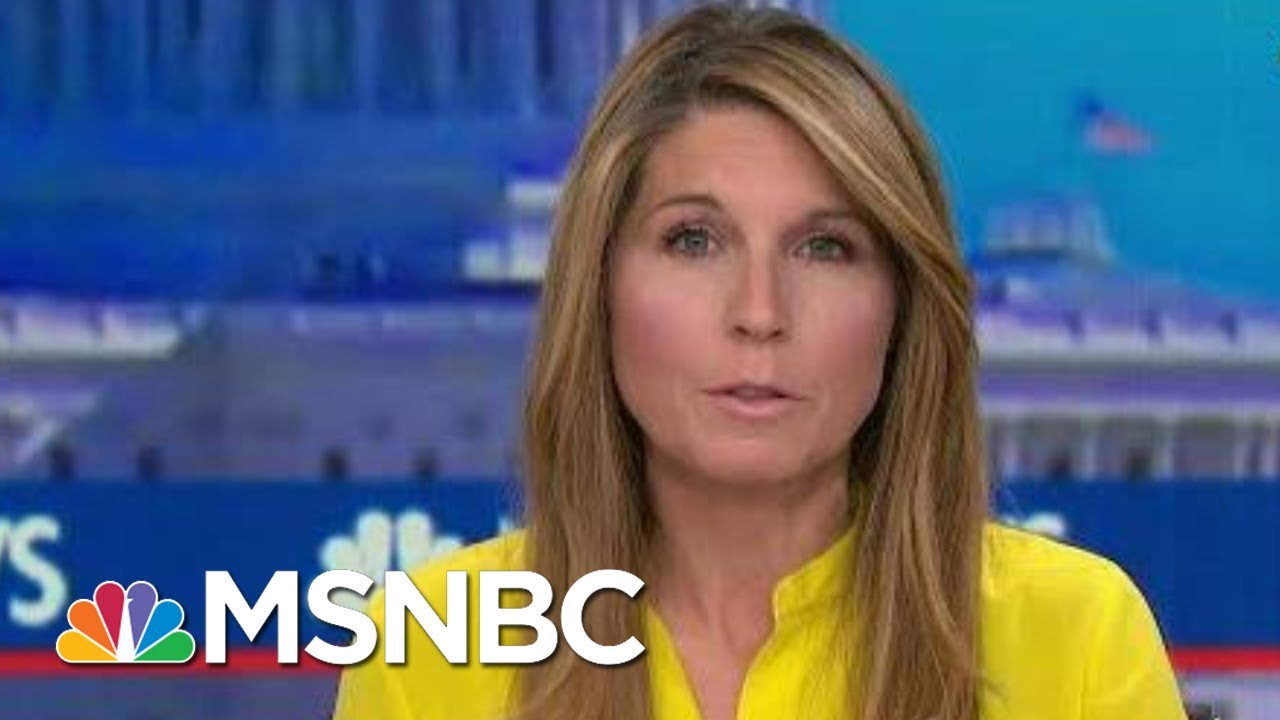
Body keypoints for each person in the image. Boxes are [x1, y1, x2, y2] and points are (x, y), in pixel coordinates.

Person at [333, 5, 1185, 719]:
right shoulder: (429, 652)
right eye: (693, 240)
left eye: (825, 247)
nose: (760, 313)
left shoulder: (1071, 638)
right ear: (599, 286)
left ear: (901, 306)